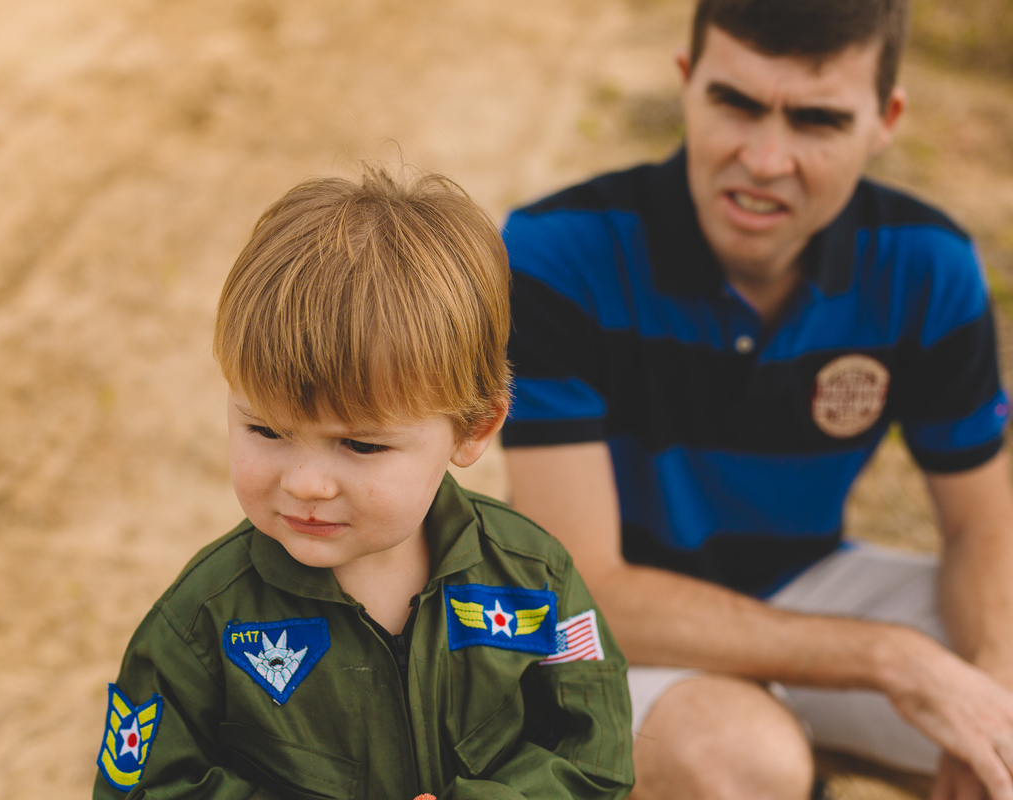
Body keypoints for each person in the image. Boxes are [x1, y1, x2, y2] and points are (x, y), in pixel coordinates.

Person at [500, 1, 1013, 798]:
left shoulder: (930, 264)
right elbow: (587, 583)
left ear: (886, 119)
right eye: (735, 103)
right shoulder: (553, 255)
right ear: (686, 81)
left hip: (803, 581)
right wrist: (894, 661)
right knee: (740, 758)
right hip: (600, 632)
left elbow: (982, 525)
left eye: (818, 121)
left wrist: (992, 705)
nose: (766, 159)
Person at [92, 167, 634, 800]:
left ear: (473, 428)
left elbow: (594, 758)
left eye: (361, 444)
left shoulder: (533, 580)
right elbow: (143, 790)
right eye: (266, 431)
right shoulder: (199, 625)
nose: (307, 482)